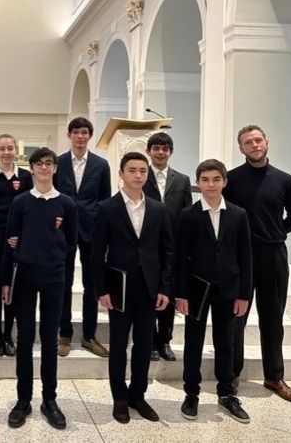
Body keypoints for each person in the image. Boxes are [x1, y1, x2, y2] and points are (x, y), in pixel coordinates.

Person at [224, 125, 291, 404]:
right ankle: (231, 374)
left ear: (266, 143)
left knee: (273, 318)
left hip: (273, 255)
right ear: (241, 148)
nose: (254, 145)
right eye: (248, 142)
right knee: (237, 318)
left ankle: (274, 376)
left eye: (258, 140)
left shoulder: (284, 179)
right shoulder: (231, 180)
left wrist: (274, 231)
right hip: (240, 257)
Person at [91, 152, 173, 424]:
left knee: (144, 344)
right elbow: (96, 252)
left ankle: (138, 395)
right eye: (132, 170)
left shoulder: (159, 209)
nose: (138, 175)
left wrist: (164, 288)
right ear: (122, 173)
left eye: (142, 171)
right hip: (119, 288)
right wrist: (101, 289)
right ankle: (120, 398)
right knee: (118, 345)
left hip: (149, 288)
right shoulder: (107, 208)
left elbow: (167, 251)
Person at [5, 147, 77, 430]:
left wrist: (52, 254)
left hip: (54, 277)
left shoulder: (67, 204)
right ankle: (23, 400)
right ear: (31, 168)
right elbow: (11, 239)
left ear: (55, 169)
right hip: (24, 276)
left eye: (49, 163)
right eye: (39, 163)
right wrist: (5, 281)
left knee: (49, 340)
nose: (45, 167)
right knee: (24, 339)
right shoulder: (21, 202)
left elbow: (70, 242)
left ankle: (49, 399)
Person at [175, 159, 252, 423]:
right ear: (198, 183)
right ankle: (191, 393)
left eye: (216, 179)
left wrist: (244, 294)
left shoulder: (239, 214)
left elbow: (245, 256)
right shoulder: (188, 215)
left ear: (224, 182)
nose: (210, 184)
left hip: (229, 289)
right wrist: (181, 294)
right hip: (197, 287)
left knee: (226, 343)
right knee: (193, 342)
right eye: (205, 179)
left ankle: (226, 393)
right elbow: (180, 258)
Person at [53, 117, 111, 358]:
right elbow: (53, 195)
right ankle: (64, 334)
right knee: (63, 282)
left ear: (89, 136)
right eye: (76, 132)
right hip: (63, 229)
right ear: (69, 135)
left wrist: (101, 226)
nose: (80, 136)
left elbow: (105, 199)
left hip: (91, 229)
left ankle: (89, 335)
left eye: (85, 132)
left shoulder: (101, 164)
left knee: (92, 284)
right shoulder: (58, 163)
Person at [0, 134, 33, 357]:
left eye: (10, 148)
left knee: (12, 284)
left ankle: (8, 334)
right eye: (2, 148)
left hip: (17, 236)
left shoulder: (26, 176)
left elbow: (30, 205)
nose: (7, 152)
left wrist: (24, 234)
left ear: (15, 151)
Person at [143, 132, 193, 362]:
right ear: (149, 151)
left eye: (165, 148)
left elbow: (187, 213)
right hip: (148, 243)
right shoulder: (141, 176)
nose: (160, 152)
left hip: (173, 244)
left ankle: (165, 340)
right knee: (149, 291)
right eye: (156, 148)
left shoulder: (182, 180)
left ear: (170, 152)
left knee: (170, 293)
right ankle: (150, 341)